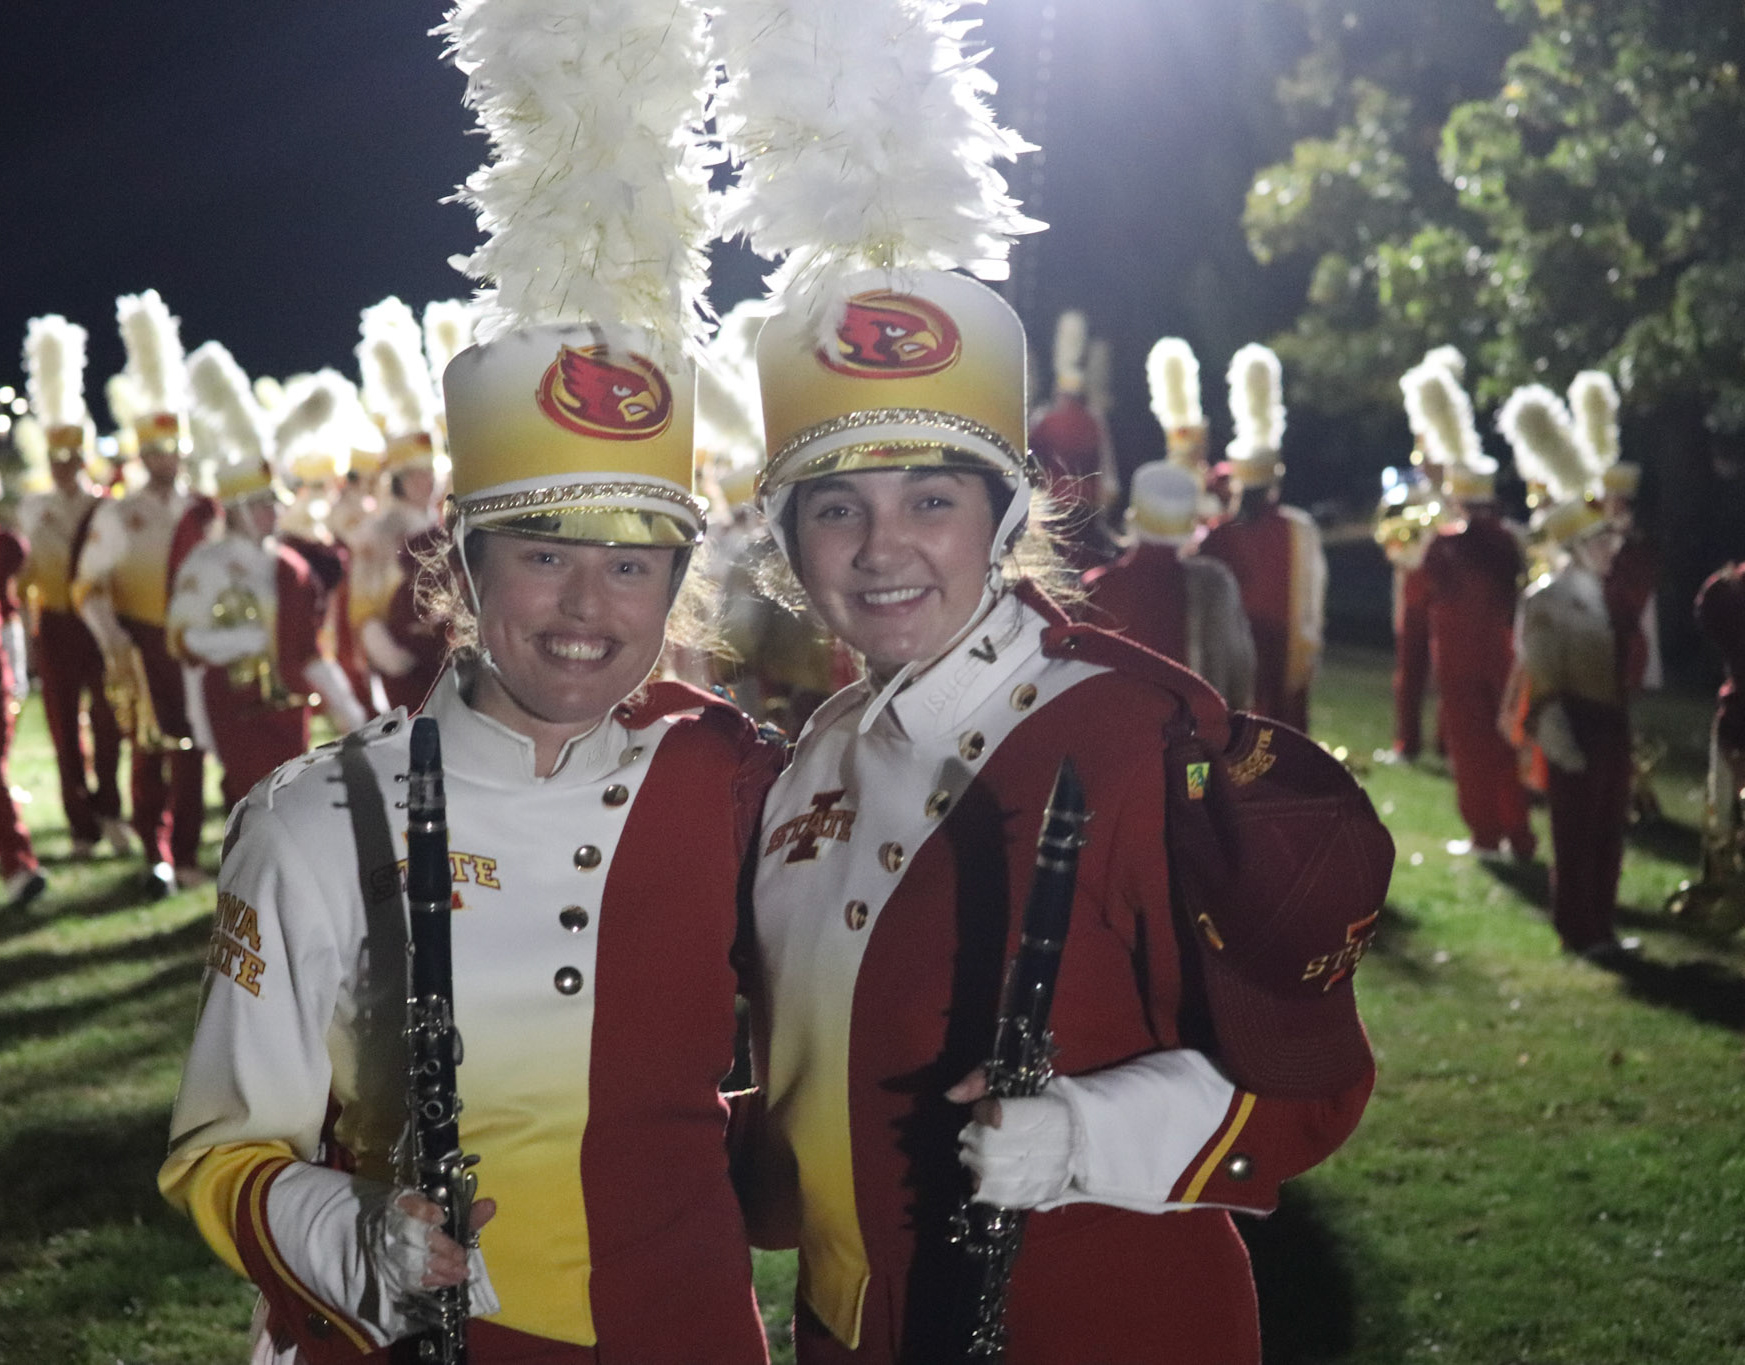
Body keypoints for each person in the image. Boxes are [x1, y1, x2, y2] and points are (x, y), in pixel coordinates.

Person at [159, 4, 773, 1358]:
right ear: (466, 567)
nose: (583, 611)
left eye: (630, 569)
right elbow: (220, 1148)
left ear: (676, 588)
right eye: (543, 555)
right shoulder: (319, 814)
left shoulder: (732, 778)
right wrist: (361, 1232)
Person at [742, 268, 1378, 1364]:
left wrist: (1085, 1132)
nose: (881, 549)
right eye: (836, 506)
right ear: (791, 541)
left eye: (931, 501)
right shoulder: (820, 746)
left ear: (1003, 518)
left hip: (1102, 1322)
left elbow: (1311, 1088)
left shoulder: (1131, 736)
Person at [73, 290, 217, 897]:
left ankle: (185, 850)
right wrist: (114, 644)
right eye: (154, 450)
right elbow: (87, 584)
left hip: (196, 642)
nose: (164, 459)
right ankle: (155, 850)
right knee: (148, 750)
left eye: (171, 448)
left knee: (193, 753)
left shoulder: (204, 508)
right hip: (142, 639)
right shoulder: (120, 513)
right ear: (142, 452)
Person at [1504, 384, 1634, 959]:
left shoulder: (1600, 593)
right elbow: (1544, 677)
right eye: (1600, 538)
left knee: (1608, 835)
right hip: (1574, 726)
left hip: (1607, 724)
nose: (1611, 546)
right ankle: (1576, 929)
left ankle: (1601, 926)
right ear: (1578, 545)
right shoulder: (1546, 598)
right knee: (1575, 836)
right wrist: (1557, 739)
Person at [1408, 362, 1535, 859]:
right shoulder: (1513, 540)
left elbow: (1420, 592)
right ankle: (1519, 834)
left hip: (1458, 657)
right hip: (1503, 653)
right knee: (1507, 746)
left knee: (1470, 747)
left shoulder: (1443, 544)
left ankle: (1485, 833)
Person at [19, 314, 130, 860]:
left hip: (97, 624)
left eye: (71, 459)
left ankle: (110, 811)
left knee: (109, 724)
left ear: (84, 458)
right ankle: (80, 826)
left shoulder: (104, 507)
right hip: (56, 625)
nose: (63, 468)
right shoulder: (32, 508)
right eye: (56, 459)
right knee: (65, 731)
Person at [1198, 343, 1327, 733]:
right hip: (1279, 648)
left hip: (1231, 649)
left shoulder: (1215, 533)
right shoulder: (1298, 528)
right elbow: (1313, 601)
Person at [1082, 459, 1255, 706]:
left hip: (1112, 733)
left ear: (1133, 516)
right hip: (1189, 738)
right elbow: (1238, 676)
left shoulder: (1098, 585)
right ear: (1191, 524)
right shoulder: (1214, 584)